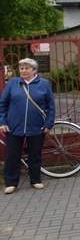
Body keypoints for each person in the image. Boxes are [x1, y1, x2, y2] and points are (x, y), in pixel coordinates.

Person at [0, 58, 55, 194]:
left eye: (27, 68)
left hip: (36, 126)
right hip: (13, 126)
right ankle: (11, 183)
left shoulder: (44, 84)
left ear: (34, 70)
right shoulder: (13, 83)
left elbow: (51, 106)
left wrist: (48, 123)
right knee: (12, 155)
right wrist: (2, 122)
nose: (23, 71)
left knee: (35, 154)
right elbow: (3, 104)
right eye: (22, 68)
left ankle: (35, 180)